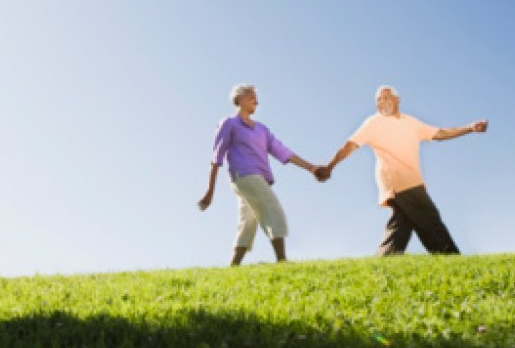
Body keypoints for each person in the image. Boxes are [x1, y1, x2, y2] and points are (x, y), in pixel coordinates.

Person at [314, 85, 488, 256]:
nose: (381, 102)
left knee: (400, 228)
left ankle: (382, 264)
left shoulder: (410, 122)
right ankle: (452, 261)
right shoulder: (374, 122)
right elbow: (350, 145)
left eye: (385, 97)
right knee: (430, 219)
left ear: (397, 100)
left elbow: (439, 134)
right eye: (378, 100)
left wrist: (470, 128)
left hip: (411, 179)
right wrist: (330, 166)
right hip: (398, 180)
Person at [198, 84, 319, 265]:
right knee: (272, 209)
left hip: (258, 179)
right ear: (239, 99)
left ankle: (234, 267)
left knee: (247, 221)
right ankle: (282, 260)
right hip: (244, 176)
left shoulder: (262, 129)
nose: (256, 100)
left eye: (256, 97)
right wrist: (209, 191)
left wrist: (311, 168)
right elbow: (216, 157)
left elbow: (282, 151)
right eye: (251, 96)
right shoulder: (229, 124)